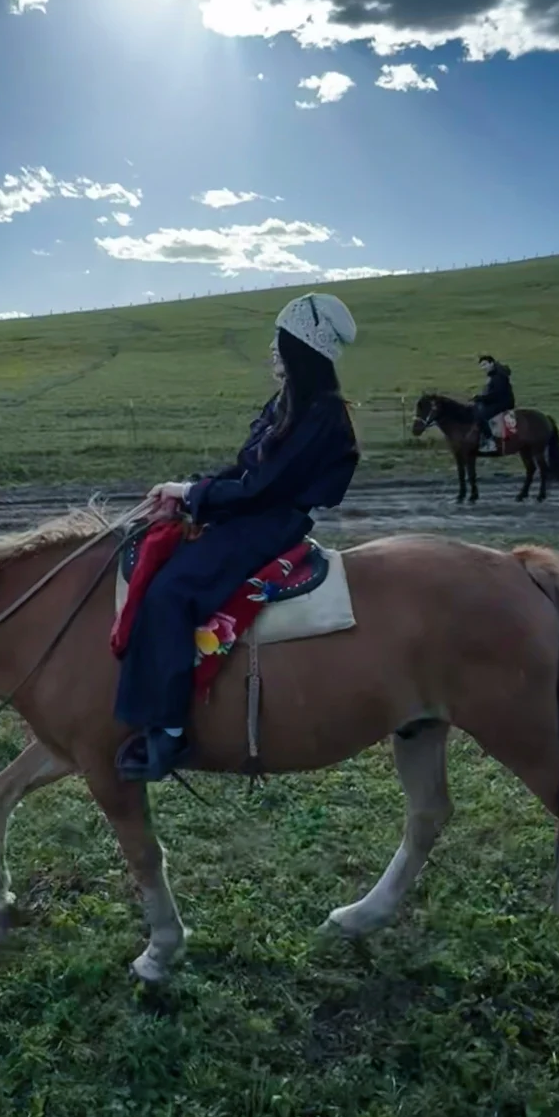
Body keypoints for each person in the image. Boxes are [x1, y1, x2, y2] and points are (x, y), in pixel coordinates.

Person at [115, 292, 360, 782]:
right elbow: (246, 469)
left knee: (171, 592)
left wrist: (195, 493)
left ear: (301, 348)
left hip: (269, 524)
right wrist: (187, 493)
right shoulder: (289, 403)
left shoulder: (322, 413)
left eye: (280, 341)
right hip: (253, 514)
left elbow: (260, 488)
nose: (272, 350)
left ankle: (169, 730)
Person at [473, 355, 515, 447]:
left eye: (485, 364)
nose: (483, 368)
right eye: (481, 366)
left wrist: (480, 398)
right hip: (499, 401)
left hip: (502, 403)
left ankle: (490, 441)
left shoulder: (498, 376)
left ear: (491, 363)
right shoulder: (495, 374)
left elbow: (495, 394)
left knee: (481, 416)